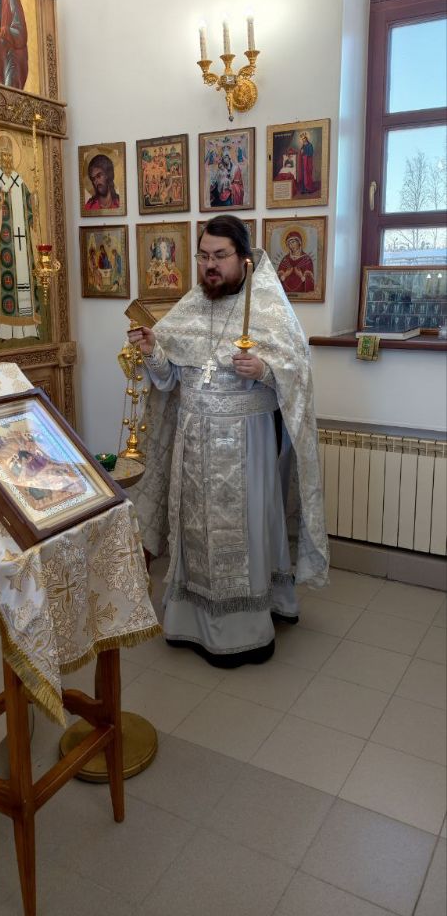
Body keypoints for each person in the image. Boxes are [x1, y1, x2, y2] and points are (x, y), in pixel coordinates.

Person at [129, 214, 328, 667]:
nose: (210, 266)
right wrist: (154, 353)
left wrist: (265, 370)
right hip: (193, 446)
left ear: (244, 258)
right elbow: (168, 380)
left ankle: (247, 626)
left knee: (247, 530)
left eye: (220, 256)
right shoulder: (191, 305)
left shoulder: (269, 308)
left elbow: (298, 373)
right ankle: (189, 621)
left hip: (247, 446)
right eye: (203, 256)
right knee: (194, 531)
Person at [0, 134, 41, 339]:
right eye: (4, 154)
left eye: (9, 154)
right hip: (5, 243)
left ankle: (30, 328)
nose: (7, 157)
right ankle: (6, 330)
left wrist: (34, 197)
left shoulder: (19, 180)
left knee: (26, 278)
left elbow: (29, 205)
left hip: (22, 242)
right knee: (7, 284)